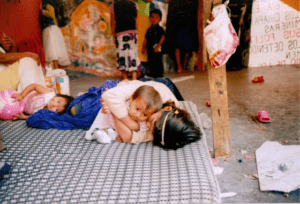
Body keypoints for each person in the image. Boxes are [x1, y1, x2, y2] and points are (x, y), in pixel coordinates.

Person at [85, 85, 163, 143]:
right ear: (131, 99)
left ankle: (106, 134)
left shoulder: (143, 123)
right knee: (103, 116)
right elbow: (109, 104)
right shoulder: (123, 104)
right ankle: (92, 133)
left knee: (123, 131)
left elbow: (137, 132)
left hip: (115, 129)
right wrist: (105, 109)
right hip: (106, 120)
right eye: (137, 109)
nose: (138, 115)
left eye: (145, 115)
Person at [0, 83, 74, 120]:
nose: (54, 105)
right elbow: (34, 86)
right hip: (21, 98)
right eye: (58, 101)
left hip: (21, 108)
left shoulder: (48, 113)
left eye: (57, 109)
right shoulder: (48, 93)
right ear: (59, 95)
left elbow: (37, 117)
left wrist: (24, 117)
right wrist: (22, 95)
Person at [110, 0, 142, 80]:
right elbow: (135, 20)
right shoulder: (134, 5)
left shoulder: (113, 6)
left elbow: (112, 23)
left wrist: (114, 35)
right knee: (133, 53)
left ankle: (125, 78)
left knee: (122, 54)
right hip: (132, 33)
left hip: (120, 33)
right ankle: (134, 77)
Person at [40, 1, 71, 69]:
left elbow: (51, 14)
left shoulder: (48, 5)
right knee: (52, 50)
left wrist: (41, 11)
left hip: (51, 29)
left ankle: (57, 70)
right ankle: (56, 70)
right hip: (48, 29)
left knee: (53, 50)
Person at [142, 8, 166, 78]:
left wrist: (158, 46)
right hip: (150, 49)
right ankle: (151, 73)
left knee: (158, 61)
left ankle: (159, 74)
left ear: (160, 19)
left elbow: (163, 37)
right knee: (150, 61)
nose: (154, 19)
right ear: (150, 18)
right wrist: (143, 48)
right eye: (152, 17)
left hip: (157, 50)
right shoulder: (149, 30)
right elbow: (145, 39)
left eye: (156, 17)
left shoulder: (160, 29)